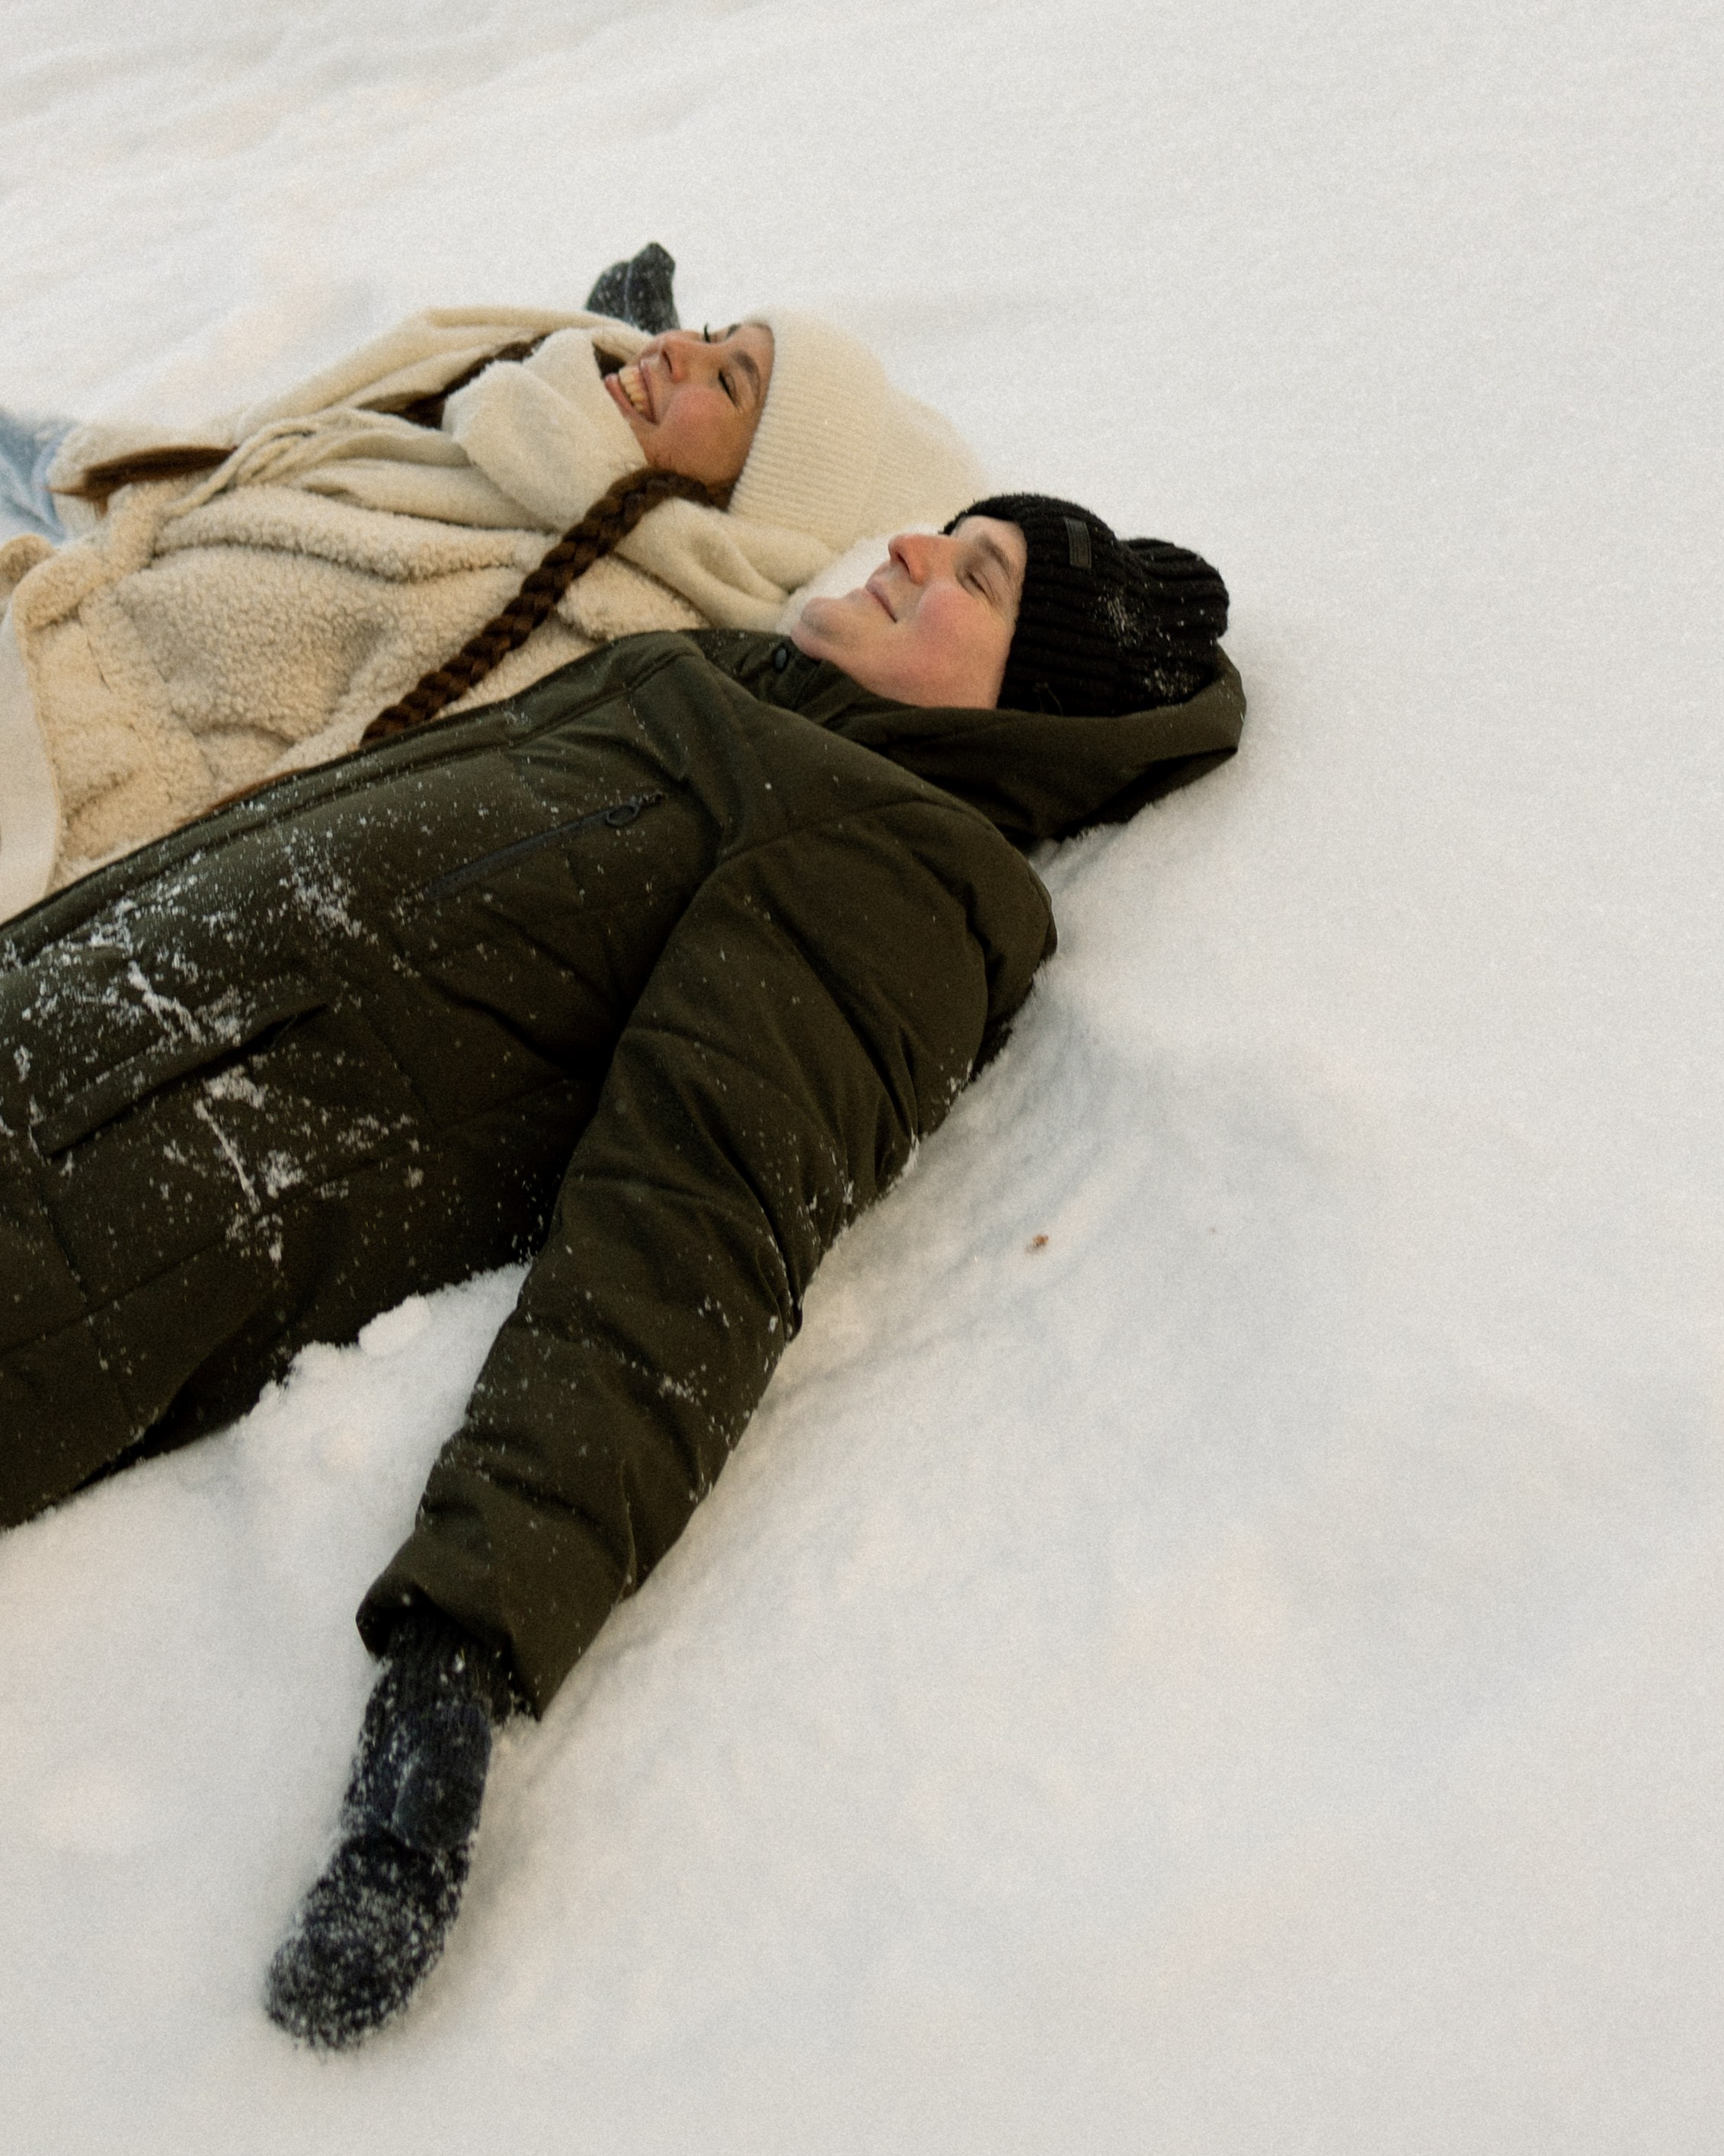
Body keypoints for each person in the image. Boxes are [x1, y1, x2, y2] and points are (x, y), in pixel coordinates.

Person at [0, 479, 1243, 2049]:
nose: (908, 542)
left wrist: (461, 1658)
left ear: (1028, 708)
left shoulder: (896, 869)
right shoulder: (721, 686)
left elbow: (683, 1243)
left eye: (973, 575)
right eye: (943, 526)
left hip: (82, 1235)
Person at [0, 246, 987, 916]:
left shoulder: (599, 626)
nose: (673, 350)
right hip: (76, 583)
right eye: (716, 336)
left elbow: (276, 831)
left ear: (764, 500)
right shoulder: (527, 417)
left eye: (728, 384)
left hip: (52, 765)